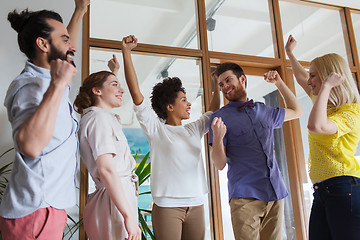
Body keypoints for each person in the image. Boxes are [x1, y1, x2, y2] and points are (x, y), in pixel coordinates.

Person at [0, 1, 89, 239]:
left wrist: (80, 10)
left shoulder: (49, 80)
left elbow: (65, 50)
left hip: (47, 209)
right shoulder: (30, 87)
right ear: (43, 44)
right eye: (64, 39)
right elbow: (29, 145)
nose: (72, 46)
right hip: (36, 213)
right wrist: (59, 83)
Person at [120, 35, 220, 240]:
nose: (189, 103)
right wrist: (126, 52)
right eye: (184, 99)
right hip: (167, 206)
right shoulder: (156, 130)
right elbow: (136, 94)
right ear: (170, 107)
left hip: (197, 203)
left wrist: (216, 84)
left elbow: (213, 112)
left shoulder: (193, 129)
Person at [209, 62, 303, 240]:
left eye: (228, 80)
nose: (225, 87)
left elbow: (297, 111)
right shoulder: (219, 117)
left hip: (275, 193)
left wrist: (279, 83)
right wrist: (219, 137)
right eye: (221, 84)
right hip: (245, 197)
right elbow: (220, 164)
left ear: (242, 79)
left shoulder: (264, 110)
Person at [285, 35, 360, 240]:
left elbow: (316, 126)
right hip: (322, 190)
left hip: (344, 187)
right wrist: (290, 54)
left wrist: (326, 86)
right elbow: (301, 79)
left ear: (328, 77)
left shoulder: (350, 113)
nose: (308, 81)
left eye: (313, 76)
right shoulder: (325, 106)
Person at [73, 56, 141, 240]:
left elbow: (104, 91)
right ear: (97, 91)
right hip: (113, 200)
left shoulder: (101, 117)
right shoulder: (98, 119)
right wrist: (127, 216)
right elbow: (106, 169)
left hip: (116, 197)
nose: (122, 90)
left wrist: (113, 73)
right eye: (115, 84)